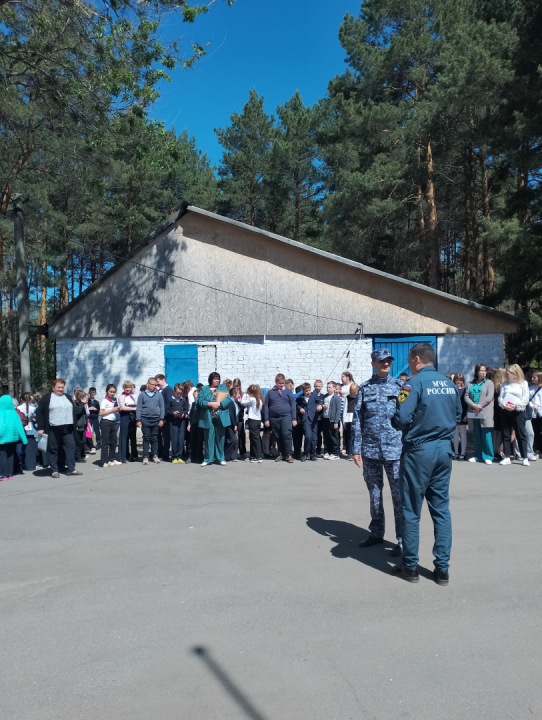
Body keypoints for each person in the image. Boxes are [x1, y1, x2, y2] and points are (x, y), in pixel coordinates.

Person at [391, 342, 462, 585]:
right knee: (441, 509)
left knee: (411, 510)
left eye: (411, 360)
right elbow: (457, 415)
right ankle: (442, 569)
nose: (410, 364)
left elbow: (400, 419)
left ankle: (410, 567)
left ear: (417, 359)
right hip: (444, 449)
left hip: (419, 451)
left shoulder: (412, 384)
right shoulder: (450, 384)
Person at [352, 348, 404, 556]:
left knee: (399, 496)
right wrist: (356, 448)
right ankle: (376, 532)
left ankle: (402, 539)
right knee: (374, 494)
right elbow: (358, 420)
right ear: (373, 363)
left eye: (389, 360)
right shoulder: (364, 388)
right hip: (371, 450)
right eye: (382, 361)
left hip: (395, 449)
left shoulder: (400, 387)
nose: (386, 364)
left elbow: (408, 417)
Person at [36, 379, 83, 478]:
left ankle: (71, 469)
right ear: (53, 387)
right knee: (53, 449)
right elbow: (39, 413)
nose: (60, 389)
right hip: (53, 428)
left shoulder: (67, 397)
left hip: (68, 427)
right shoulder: (47, 398)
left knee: (71, 446)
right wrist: (40, 428)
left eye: (62, 387)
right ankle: (54, 470)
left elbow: (73, 411)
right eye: (58, 387)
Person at [197, 372, 232, 466]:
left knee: (220, 438)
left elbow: (228, 399)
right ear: (211, 379)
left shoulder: (222, 387)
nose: (217, 381)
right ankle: (208, 458)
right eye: (215, 379)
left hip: (220, 417)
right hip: (208, 417)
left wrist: (219, 404)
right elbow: (200, 401)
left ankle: (220, 458)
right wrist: (210, 404)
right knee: (208, 438)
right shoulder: (204, 389)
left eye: (218, 379)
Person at [498, 364, 530, 465]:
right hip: (505, 411)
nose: (507, 376)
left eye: (508, 374)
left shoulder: (523, 384)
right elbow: (500, 397)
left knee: (521, 434)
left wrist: (515, 406)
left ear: (515, 374)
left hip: (518, 412)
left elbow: (525, 398)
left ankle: (524, 457)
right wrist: (504, 405)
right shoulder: (504, 384)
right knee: (506, 433)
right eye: (506, 374)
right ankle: (506, 456)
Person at [263, 373, 297, 463]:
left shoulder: (288, 392)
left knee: (286, 435)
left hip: (286, 417)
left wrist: (294, 419)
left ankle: (288, 454)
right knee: (278, 436)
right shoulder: (270, 392)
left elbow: (293, 405)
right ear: (276, 382)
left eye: (283, 383)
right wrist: (266, 419)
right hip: (274, 418)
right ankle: (281, 453)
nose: (281, 385)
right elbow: (266, 406)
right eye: (280, 383)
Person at [465, 364, 494, 464]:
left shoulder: (489, 383)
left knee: (486, 434)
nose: (483, 373)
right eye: (481, 371)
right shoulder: (470, 383)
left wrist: (479, 406)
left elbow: (489, 397)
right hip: (474, 412)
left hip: (485, 411)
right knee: (476, 434)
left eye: (485, 371)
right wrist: (474, 405)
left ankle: (488, 456)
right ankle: (477, 455)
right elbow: (466, 396)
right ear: (477, 372)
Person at [136, 377, 165, 465]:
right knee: (146, 438)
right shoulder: (142, 395)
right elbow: (139, 408)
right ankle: (145, 456)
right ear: (147, 384)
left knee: (154, 438)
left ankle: (154, 455)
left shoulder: (158, 394)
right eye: (152, 385)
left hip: (156, 419)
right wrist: (138, 420)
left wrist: (161, 419)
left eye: (155, 385)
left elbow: (162, 407)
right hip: (145, 419)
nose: (154, 387)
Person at [0, 394, 27, 480]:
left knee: (2, 456)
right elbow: (20, 427)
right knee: (10, 455)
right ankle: (9, 474)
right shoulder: (15, 414)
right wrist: (24, 439)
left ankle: (3, 474)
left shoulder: (1, 413)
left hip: (2, 439)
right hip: (13, 439)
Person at [296, 382, 323, 462]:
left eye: (309, 390)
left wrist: (320, 406)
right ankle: (305, 453)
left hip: (314, 418)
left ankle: (312, 454)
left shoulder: (314, 395)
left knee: (314, 438)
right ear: (303, 391)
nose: (308, 392)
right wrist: (300, 408)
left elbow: (319, 401)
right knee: (308, 436)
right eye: (306, 391)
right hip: (305, 419)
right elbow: (297, 404)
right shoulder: (300, 397)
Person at [99, 384, 122, 468]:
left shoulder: (113, 400)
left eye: (114, 392)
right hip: (105, 422)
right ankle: (105, 461)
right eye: (110, 392)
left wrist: (117, 409)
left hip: (113, 422)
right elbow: (101, 413)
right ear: (107, 391)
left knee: (114, 441)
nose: (112, 393)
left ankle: (112, 459)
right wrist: (112, 410)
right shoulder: (105, 401)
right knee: (105, 442)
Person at [240, 384, 264, 463]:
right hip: (257, 420)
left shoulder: (253, 399)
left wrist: (245, 394)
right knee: (255, 438)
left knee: (255, 439)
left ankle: (258, 457)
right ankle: (254, 456)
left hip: (253, 420)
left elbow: (242, 402)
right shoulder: (258, 400)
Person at [166, 382, 188, 464]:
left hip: (181, 422)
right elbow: (167, 410)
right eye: (178, 393)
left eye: (180, 394)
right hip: (173, 422)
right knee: (174, 439)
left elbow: (186, 409)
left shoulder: (183, 400)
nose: (179, 395)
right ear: (174, 391)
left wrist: (184, 414)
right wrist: (173, 412)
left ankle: (179, 456)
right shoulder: (170, 399)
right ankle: (174, 456)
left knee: (181, 439)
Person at [18, 392, 38, 471]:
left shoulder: (19, 408)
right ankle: (30, 466)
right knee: (30, 449)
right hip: (31, 428)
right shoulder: (33, 408)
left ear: (22, 399)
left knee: (20, 448)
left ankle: (21, 464)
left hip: (21, 428)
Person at [156, 374, 174, 460]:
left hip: (165, 417)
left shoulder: (168, 390)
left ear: (163, 379)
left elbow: (168, 404)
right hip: (160, 416)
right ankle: (160, 452)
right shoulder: (160, 390)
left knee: (166, 436)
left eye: (158, 381)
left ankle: (165, 454)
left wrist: (163, 416)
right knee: (160, 435)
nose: (157, 383)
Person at [119, 381, 138, 463]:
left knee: (133, 436)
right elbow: (123, 407)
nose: (127, 389)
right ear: (124, 388)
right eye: (126, 387)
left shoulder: (134, 396)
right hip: (125, 416)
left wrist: (132, 409)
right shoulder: (121, 396)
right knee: (124, 436)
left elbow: (138, 405)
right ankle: (123, 456)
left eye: (129, 387)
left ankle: (134, 455)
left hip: (133, 417)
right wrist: (134, 408)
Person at [321, 381, 341, 460]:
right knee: (326, 436)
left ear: (334, 388)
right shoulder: (325, 396)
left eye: (330, 387)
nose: (328, 389)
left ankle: (335, 453)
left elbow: (338, 410)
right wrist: (323, 406)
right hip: (325, 418)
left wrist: (336, 421)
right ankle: (327, 451)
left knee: (334, 436)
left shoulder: (336, 398)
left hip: (333, 420)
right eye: (327, 387)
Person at [452, 374, 468, 460]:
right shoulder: (452, 389)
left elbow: (466, 404)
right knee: (455, 434)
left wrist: (466, 414)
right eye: (457, 380)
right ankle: (456, 453)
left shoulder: (465, 390)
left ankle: (462, 453)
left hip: (463, 414)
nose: (459, 381)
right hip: (454, 414)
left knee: (463, 433)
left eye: (461, 380)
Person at [187, 388, 203, 464]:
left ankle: (199, 457)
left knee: (199, 441)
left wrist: (196, 397)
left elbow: (199, 405)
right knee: (192, 441)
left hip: (200, 424)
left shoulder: (200, 403)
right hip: (193, 424)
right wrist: (189, 424)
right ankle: (192, 456)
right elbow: (191, 415)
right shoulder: (194, 403)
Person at [343, 383, 359, 461]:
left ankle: (357, 452)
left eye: (355, 392)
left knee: (357, 437)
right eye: (352, 392)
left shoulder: (359, 397)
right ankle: (349, 453)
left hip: (357, 419)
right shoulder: (348, 398)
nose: (353, 394)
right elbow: (345, 409)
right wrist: (344, 421)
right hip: (349, 419)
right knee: (349, 437)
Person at [73, 389, 89, 463]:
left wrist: (86, 426)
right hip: (78, 426)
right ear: (81, 398)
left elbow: (85, 416)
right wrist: (82, 404)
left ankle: (81, 455)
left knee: (83, 441)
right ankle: (77, 457)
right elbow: (78, 413)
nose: (87, 400)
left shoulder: (83, 406)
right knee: (78, 443)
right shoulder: (77, 405)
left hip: (82, 426)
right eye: (85, 399)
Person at [225, 387, 240, 462]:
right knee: (232, 439)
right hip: (230, 424)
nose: (239, 395)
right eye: (238, 394)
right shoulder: (230, 402)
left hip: (233, 423)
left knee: (234, 440)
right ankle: (226, 456)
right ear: (234, 394)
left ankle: (233, 456)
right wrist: (234, 424)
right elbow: (231, 415)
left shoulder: (234, 402)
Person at [530, 372, 542, 455]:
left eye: (535, 377)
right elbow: (528, 399)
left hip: (541, 411)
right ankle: (536, 449)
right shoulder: (530, 388)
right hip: (533, 412)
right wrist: (532, 406)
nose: (532, 379)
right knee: (535, 431)